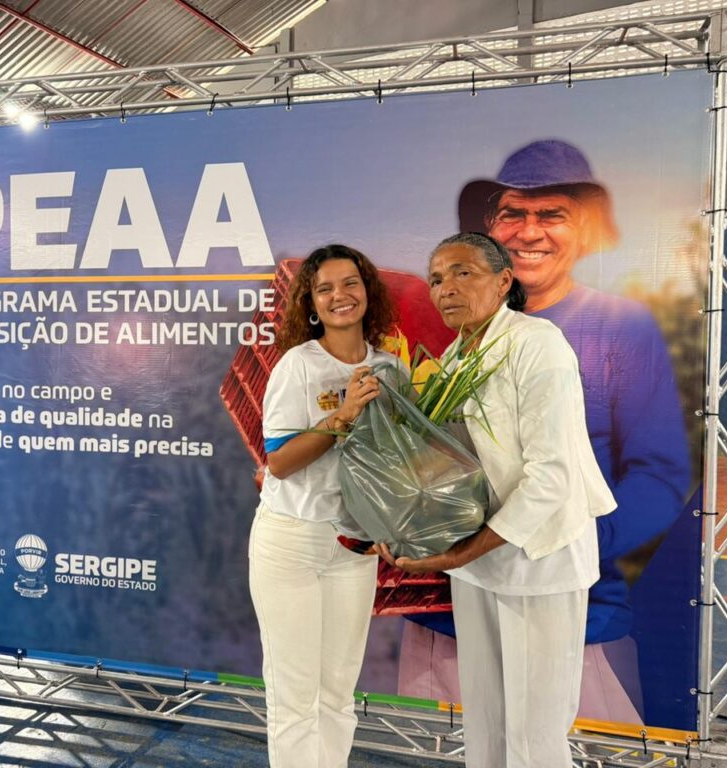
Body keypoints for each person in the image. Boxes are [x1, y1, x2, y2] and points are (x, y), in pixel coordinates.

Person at [399, 140, 691, 723]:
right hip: (452, 597)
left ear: (581, 229)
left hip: (564, 603)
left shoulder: (618, 327)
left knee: (542, 741)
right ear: (492, 228)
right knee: (473, 742)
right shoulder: (450, 348)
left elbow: (659, 474)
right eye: (513, 213)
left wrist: (566, 537)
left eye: (551, 214)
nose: (530, 231)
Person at [381, 232, 616, 767]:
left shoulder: (536, 343)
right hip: (477, 563)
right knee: (485, 720)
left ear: (504, 280)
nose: (446, 288)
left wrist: (462, 552)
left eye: (463, 272)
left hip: (538, 559)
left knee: (535, 733)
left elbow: (552, 476)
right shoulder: (453, 358)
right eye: (437, 278)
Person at [251, 243, 398, 768]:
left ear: (367, 291)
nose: (340, 295)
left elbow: (397, 463)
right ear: (311, 304)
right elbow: (280, 463)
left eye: (350, 283)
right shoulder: (298, 366)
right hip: (292, 541)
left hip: (354, 548)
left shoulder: (389, 367)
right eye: (325, 288)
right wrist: (343, 416)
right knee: (295, 697)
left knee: (337, 694)